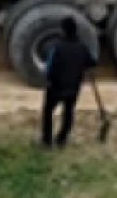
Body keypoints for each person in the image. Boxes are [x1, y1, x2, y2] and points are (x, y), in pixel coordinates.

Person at [40, 17, 96, 148]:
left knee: (48, 112)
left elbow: (48, 67)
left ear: (63, 31)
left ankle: (47, 141)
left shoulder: (57, 48)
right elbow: (92, 62)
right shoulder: (82, 48)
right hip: (74, 87)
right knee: (68, 112)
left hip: (56, 87)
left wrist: (47, 79)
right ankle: (62, 139)